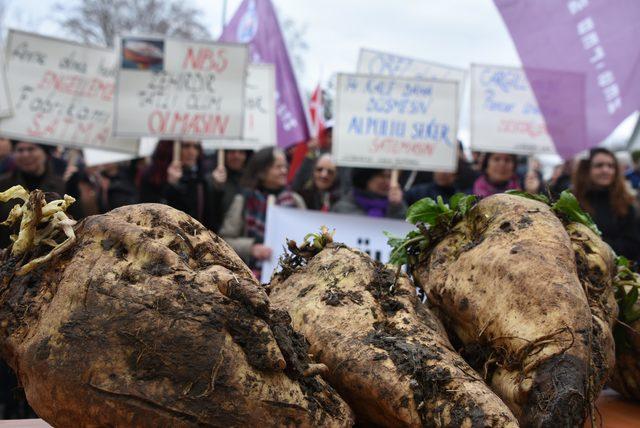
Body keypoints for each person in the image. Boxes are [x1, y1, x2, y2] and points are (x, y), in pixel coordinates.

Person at [219, 147, 305, 275]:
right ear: (262, 172)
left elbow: (305, 239)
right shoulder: (244, 200)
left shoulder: (295, 201)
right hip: (251, 275)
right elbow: (224, 240)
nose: (284, 171)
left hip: (289, 275)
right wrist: (251, 248)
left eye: (285, 166)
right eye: (278, 167)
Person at [0, 141, 83, 248]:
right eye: (20, 150)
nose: (25, 154)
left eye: (31, 149)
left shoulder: (62, 185)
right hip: (8, 255)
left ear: (45, 154)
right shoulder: (3, 184)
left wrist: (74, 190)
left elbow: (77, 220)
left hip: (51, 252)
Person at [573, 148, 640, 261]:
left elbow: (633, 245)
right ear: (587, 169)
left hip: (616, 270)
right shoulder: (574, 202)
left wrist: (598, 243)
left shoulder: (626, 203)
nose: (606, 170)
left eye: (611, 166)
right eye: (599, 165)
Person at [140, 140, 222, 231]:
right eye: (186, 146)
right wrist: (171, 186)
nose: (192, 152)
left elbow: (210, 222)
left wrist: (217, 188)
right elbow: (149, 215)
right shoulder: (153, 178)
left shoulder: (200, 181)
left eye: (196, 147)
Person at [332, 168, 406, 218]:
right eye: (382, 176)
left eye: (389, 177)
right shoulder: (343, 208)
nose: (387, 182)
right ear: (366, 178)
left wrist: (396, 207)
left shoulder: (398, 206)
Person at [472, 152, 539, 197]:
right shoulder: (468, 192)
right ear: (486, 165)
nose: (502, 164)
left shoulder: (524, 191)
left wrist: (532, 194)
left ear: (514, 167)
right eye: (497, 159)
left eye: (507, 160)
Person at [211, 149, 251, 217]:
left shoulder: (252, 181)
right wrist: (216, 188)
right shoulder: (211, 179)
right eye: (232, 151)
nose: (236, 156)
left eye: (241, 152)